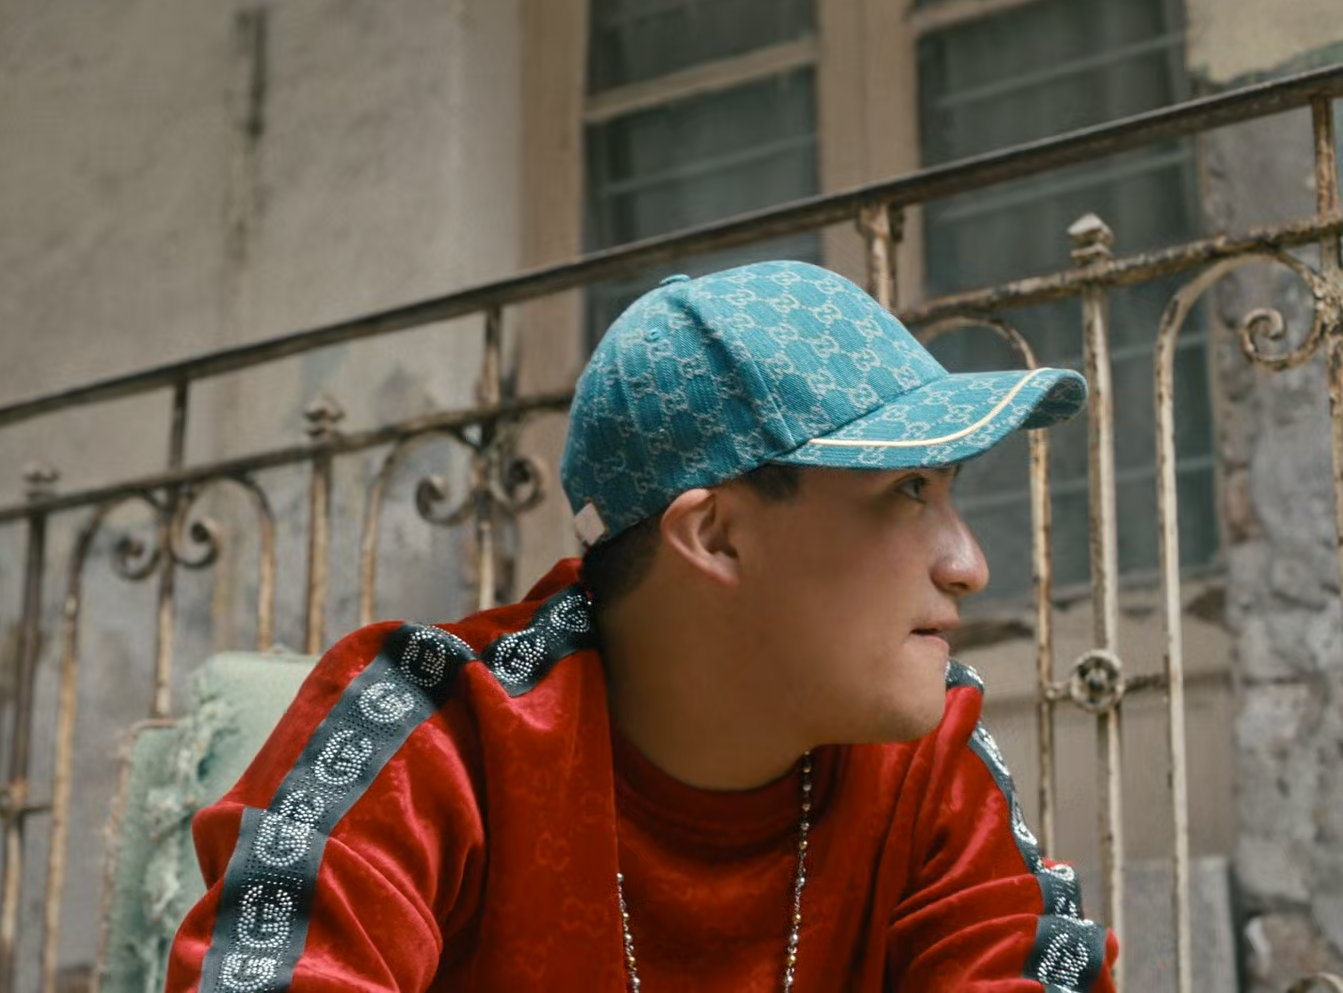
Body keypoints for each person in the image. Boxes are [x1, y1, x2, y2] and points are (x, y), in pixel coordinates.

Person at [164, 261, 1118, 991]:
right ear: (717, 537)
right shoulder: (435, 729)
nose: (969, 564)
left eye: (949, 491)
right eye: (908, 488)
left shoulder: (927, 760)